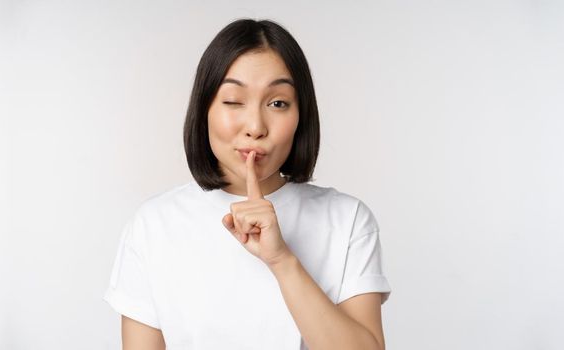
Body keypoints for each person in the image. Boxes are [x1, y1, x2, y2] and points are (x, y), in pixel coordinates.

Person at [104, 18, 392, 350]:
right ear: (205, 109)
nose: (255, 126)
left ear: (302, 115)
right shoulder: (153, 225)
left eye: (278, 103)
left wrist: (282, 260)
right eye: (233, 100)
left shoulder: (348, 220)